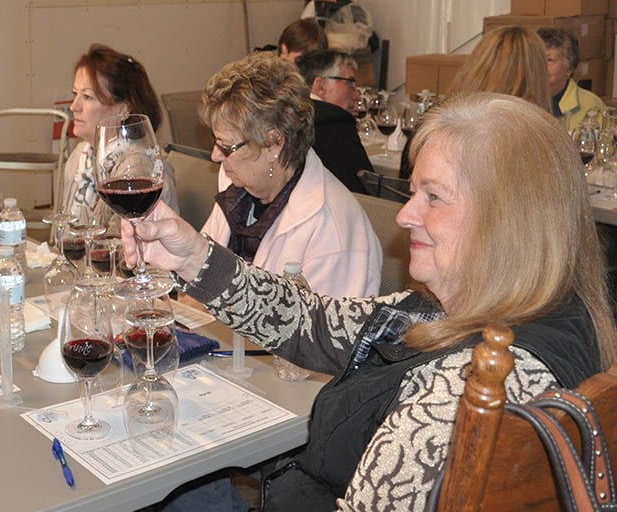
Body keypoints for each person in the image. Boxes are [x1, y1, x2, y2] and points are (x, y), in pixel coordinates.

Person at [127, 91, 616, 511]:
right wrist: (193, 255)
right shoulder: (506, 311)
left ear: (510, 221)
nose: (405, 215)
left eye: (434, 197)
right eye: (413, 192)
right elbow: (311, 322)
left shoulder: (463, 388)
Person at [199, 51, 381, 297]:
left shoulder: (333, 231)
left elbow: (323, 333)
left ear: (274, 144)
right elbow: (199, 281)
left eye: (226, 146)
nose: (215, 156)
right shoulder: (239, 195)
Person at [400, 25, 551, 179]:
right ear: (538, 73)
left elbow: (405, 180)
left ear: (476, 64)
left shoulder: (437, 118)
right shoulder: (538, 135)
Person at [65, 44, 179, 215]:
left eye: (88, 97)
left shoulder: (137, 167)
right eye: (75, 94)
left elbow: (122, 239)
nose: (74, 107)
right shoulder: (81, 155)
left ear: (123, 109)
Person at [296, 49, 373, 193]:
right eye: (350, 83)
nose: (357, 95)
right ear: (320, 86)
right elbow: (367, 189)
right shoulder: (336, 123)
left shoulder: (289, 116)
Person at [538, 27, 605, 132]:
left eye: (549, 60)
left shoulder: (591, 107)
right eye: (537, 58)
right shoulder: (519, 99)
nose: (540, 65)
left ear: (569, 67)